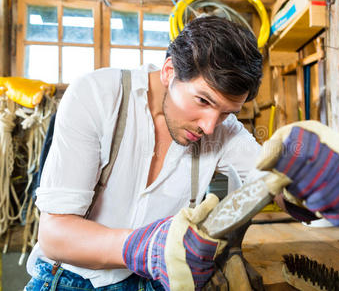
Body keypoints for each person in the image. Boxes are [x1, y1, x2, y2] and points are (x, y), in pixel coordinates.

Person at [25, 16, 263, 290]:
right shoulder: (98, 96)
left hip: (150, 284)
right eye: (202, 101)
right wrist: (144, 248)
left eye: (226, 112)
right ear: (169, 72)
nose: (210, 127)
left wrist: (302, 181)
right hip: (71, 279)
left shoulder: (225, 130)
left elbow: (271, 174)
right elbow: (55, 236)